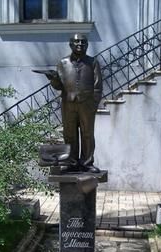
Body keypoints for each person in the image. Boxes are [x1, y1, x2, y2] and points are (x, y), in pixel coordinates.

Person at [47, 33, 102, 173]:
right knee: (69, 134)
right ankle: (71, 162)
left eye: (83, 42)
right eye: (76, 42)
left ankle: (87, 163)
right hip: (68, 104)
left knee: (87, 134)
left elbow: (98, 86)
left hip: (87, 104)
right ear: (71, 44)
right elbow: (59, 86)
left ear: (87, 45)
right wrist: (53, 79)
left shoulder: (93, 62)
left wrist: (93, 104)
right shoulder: (63, 63)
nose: (80, 44)